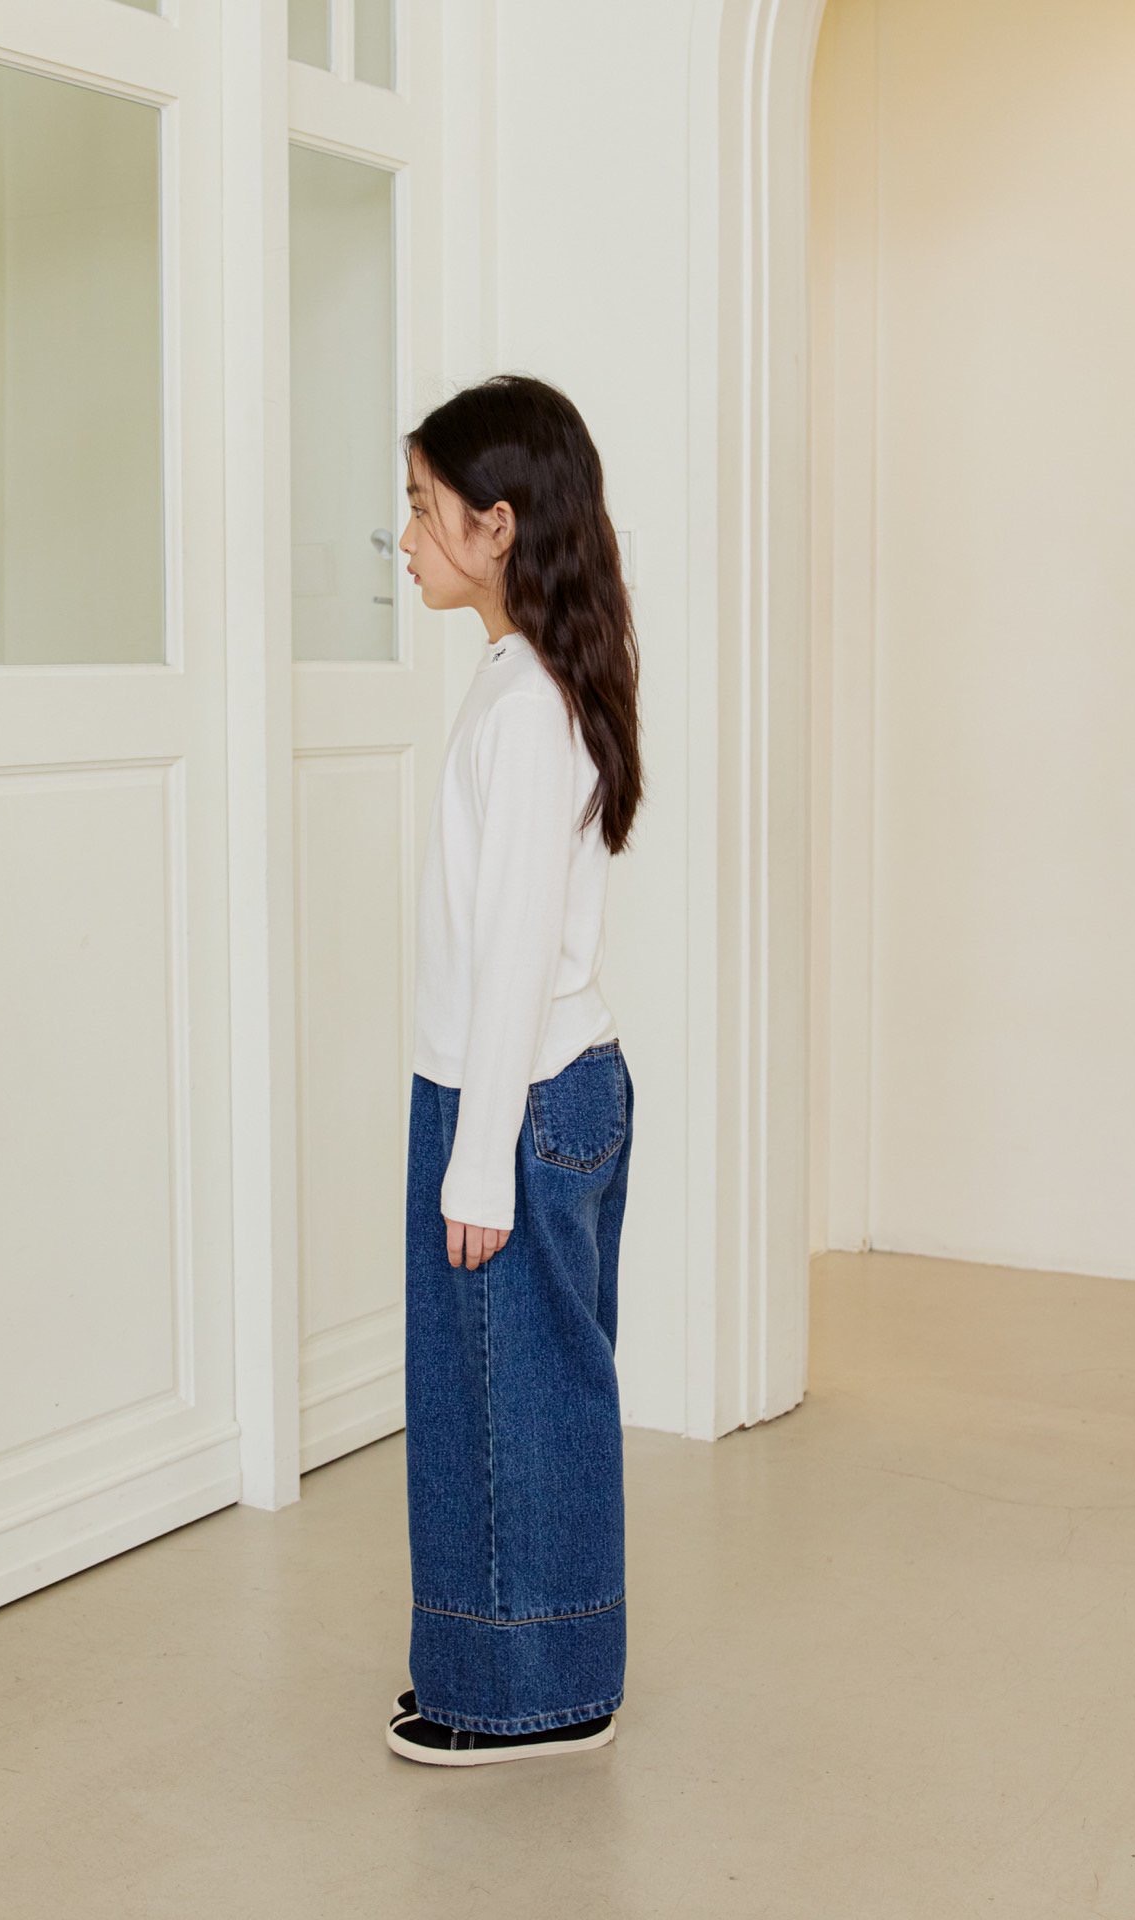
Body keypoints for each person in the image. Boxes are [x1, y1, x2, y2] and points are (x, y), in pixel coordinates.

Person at [385, 373, 645, 1768]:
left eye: (424, 508)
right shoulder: (519, 681)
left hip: (519, 1102)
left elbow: (512, 959)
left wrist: (478, 1163)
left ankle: (537, 1693)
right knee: (505, 1390)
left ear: (498, 526)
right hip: (521, 1092)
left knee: (515, 1398)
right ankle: (503, 1667)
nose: (406, 537)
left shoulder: (529, 709)